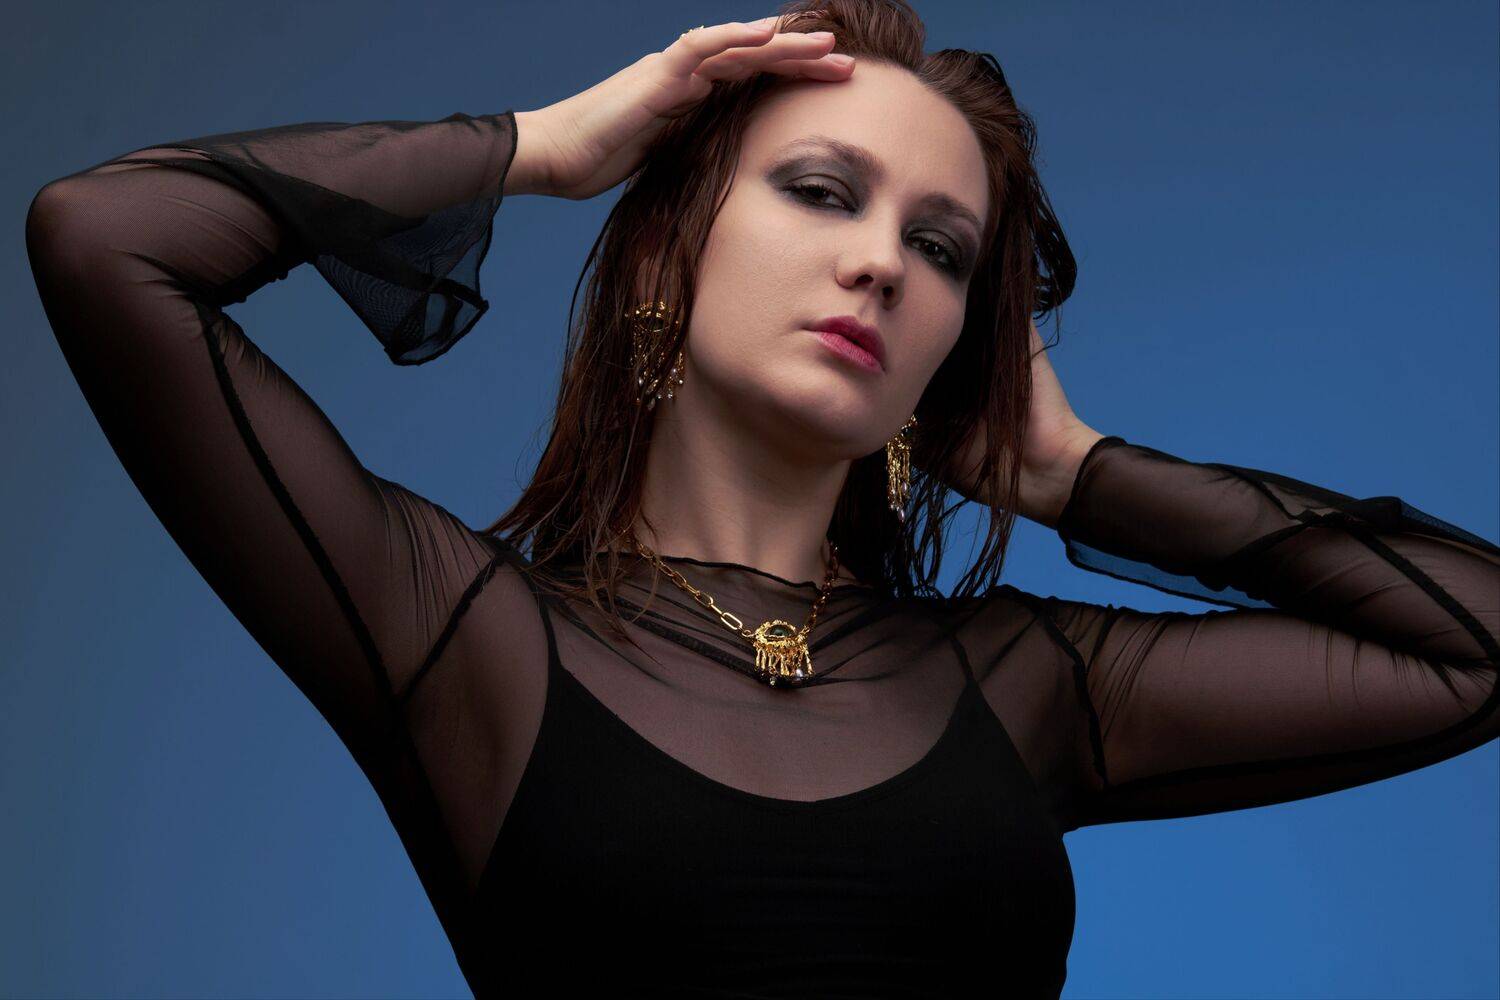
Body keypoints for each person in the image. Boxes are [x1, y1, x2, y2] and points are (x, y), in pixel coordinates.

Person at [23, 1, 1499, 996]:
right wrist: (547, 147)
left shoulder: (1022, 680)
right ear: (672, 252)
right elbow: (109, 240)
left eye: (941, 248)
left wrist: (1072, 473)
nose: (880, 263)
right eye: (820, 191)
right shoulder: (461, 634)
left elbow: (1474, 647)